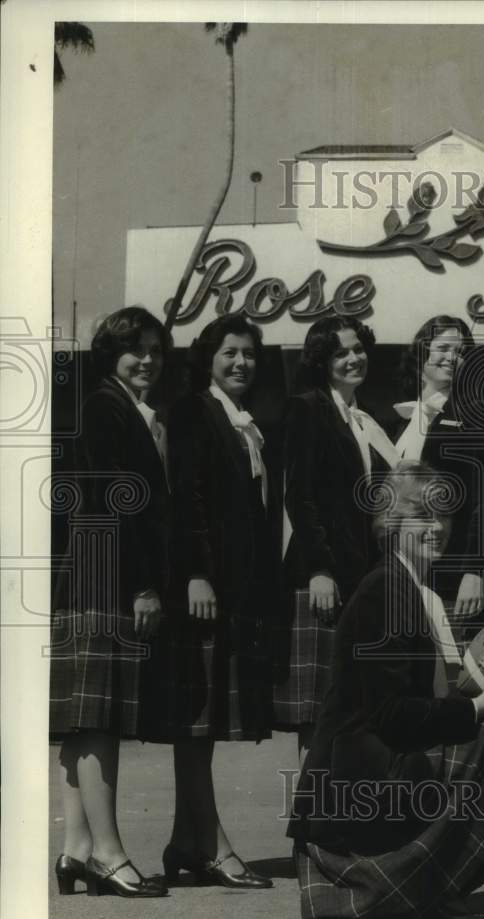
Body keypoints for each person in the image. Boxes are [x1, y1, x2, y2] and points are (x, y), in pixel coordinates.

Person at [288, 461, 484, 919]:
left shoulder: (407, 587)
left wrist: (482, 700)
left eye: (444, 517)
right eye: (423, 516)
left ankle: (430, 889)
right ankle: (424, 890)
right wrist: (476, 707)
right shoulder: (386, 590)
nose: (438, 528)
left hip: (369, 774)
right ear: (392, 523)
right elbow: (391, 715)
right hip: (355, 791)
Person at [50, 306, 170, 898]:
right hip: (105, 581)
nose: (147, 359)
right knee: (98, 723)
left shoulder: (116, 404)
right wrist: (142, 585)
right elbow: (111, 500)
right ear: (110, 352)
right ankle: (108, 853)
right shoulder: (107, 405)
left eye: (155, 350)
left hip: (89, 581)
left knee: (84, 724)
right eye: (135, 349)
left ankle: (75, 849)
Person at [159, 314, 282, 889]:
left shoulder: (244, 421)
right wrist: (195, 575)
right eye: (230, 352)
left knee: (204, 723)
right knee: (197, 720)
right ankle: (208, 843)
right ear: (208, 357)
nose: (241, 362)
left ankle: (188, 839)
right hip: (203, 590)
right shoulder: (194, 411)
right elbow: (186, 497)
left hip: (235, 592)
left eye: (249, 353)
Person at [273, 316, 398, 756]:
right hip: (325, 579)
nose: (353, 358)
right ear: (321, 361)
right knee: (321, 710)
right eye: (341, 352)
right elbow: (299, 496)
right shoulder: (308, 408)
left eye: (358, 349)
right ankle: (312, 798)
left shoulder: (367, 419)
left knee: (355, 706)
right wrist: (319, 569)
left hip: (362, 579)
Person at [391, 316, 483, 626]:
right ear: (421, 352)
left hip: (449, 574)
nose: (452, 357)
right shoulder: (400, 423)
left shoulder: (474, 417)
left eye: (460, 352)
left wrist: (474, 570)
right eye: (443, 348)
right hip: (400, 574)